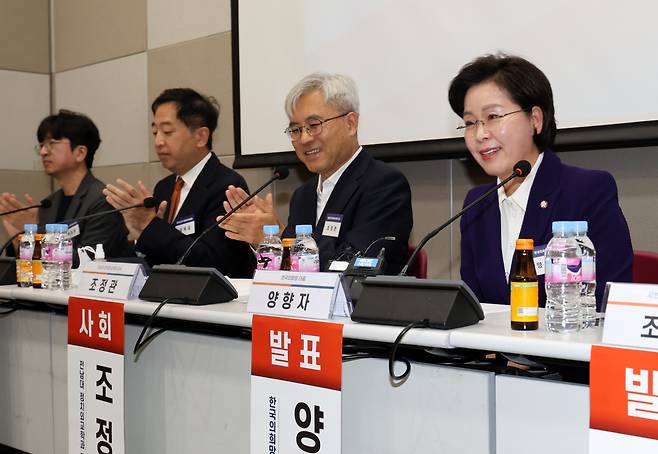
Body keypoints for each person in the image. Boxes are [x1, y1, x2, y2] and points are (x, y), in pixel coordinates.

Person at [449, 53, 633, 309]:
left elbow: (610, 300)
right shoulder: (477, 204)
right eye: (470, 123)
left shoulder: (587, 191)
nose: (480, 134)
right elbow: (475, 306)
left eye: (493, 117)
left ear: (535, 119)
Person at [220, 73, 413, 274]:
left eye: (314, 126)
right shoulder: (303, 195)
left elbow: (356, 266)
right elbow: (290, 276)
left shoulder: (384, 184)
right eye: (295, 129)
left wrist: (281, 240)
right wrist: (269, 244)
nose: (304, 139)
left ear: (350, 124)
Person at [103, 88, 255, 277]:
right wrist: (139, 233)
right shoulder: (164, 187)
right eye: (155, 132)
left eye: (167, 131)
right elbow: (159, 258)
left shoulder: (227, 186)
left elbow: (215, 262)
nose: (158, 141)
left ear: (200, 137)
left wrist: (150, 226)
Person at [0, 110, 133, 264]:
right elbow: (34, 266)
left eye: (52, 144)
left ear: (80, 153)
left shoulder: (102, 201)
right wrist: (20, 237)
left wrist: (35, 237)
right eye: (42, 145)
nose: (43, 152)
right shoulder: (48, 204)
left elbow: (88, 259)